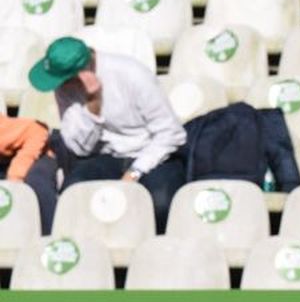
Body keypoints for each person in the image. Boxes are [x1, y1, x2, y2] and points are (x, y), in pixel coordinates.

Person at [28, 37, 187, 232]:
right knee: (75, 194)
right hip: (106, 155)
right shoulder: (64, 86)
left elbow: (171, 133)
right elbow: (80, 148)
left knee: (161, 202)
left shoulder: (132, 74)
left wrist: (135, 172)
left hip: (153, 152)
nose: (61, 85)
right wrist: (93, 106)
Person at [0, 115, 58, 232]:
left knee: (37, 182)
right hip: (5, 160)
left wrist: (15, 175)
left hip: (37, 153)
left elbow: (38, 129)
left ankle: (50, 236)